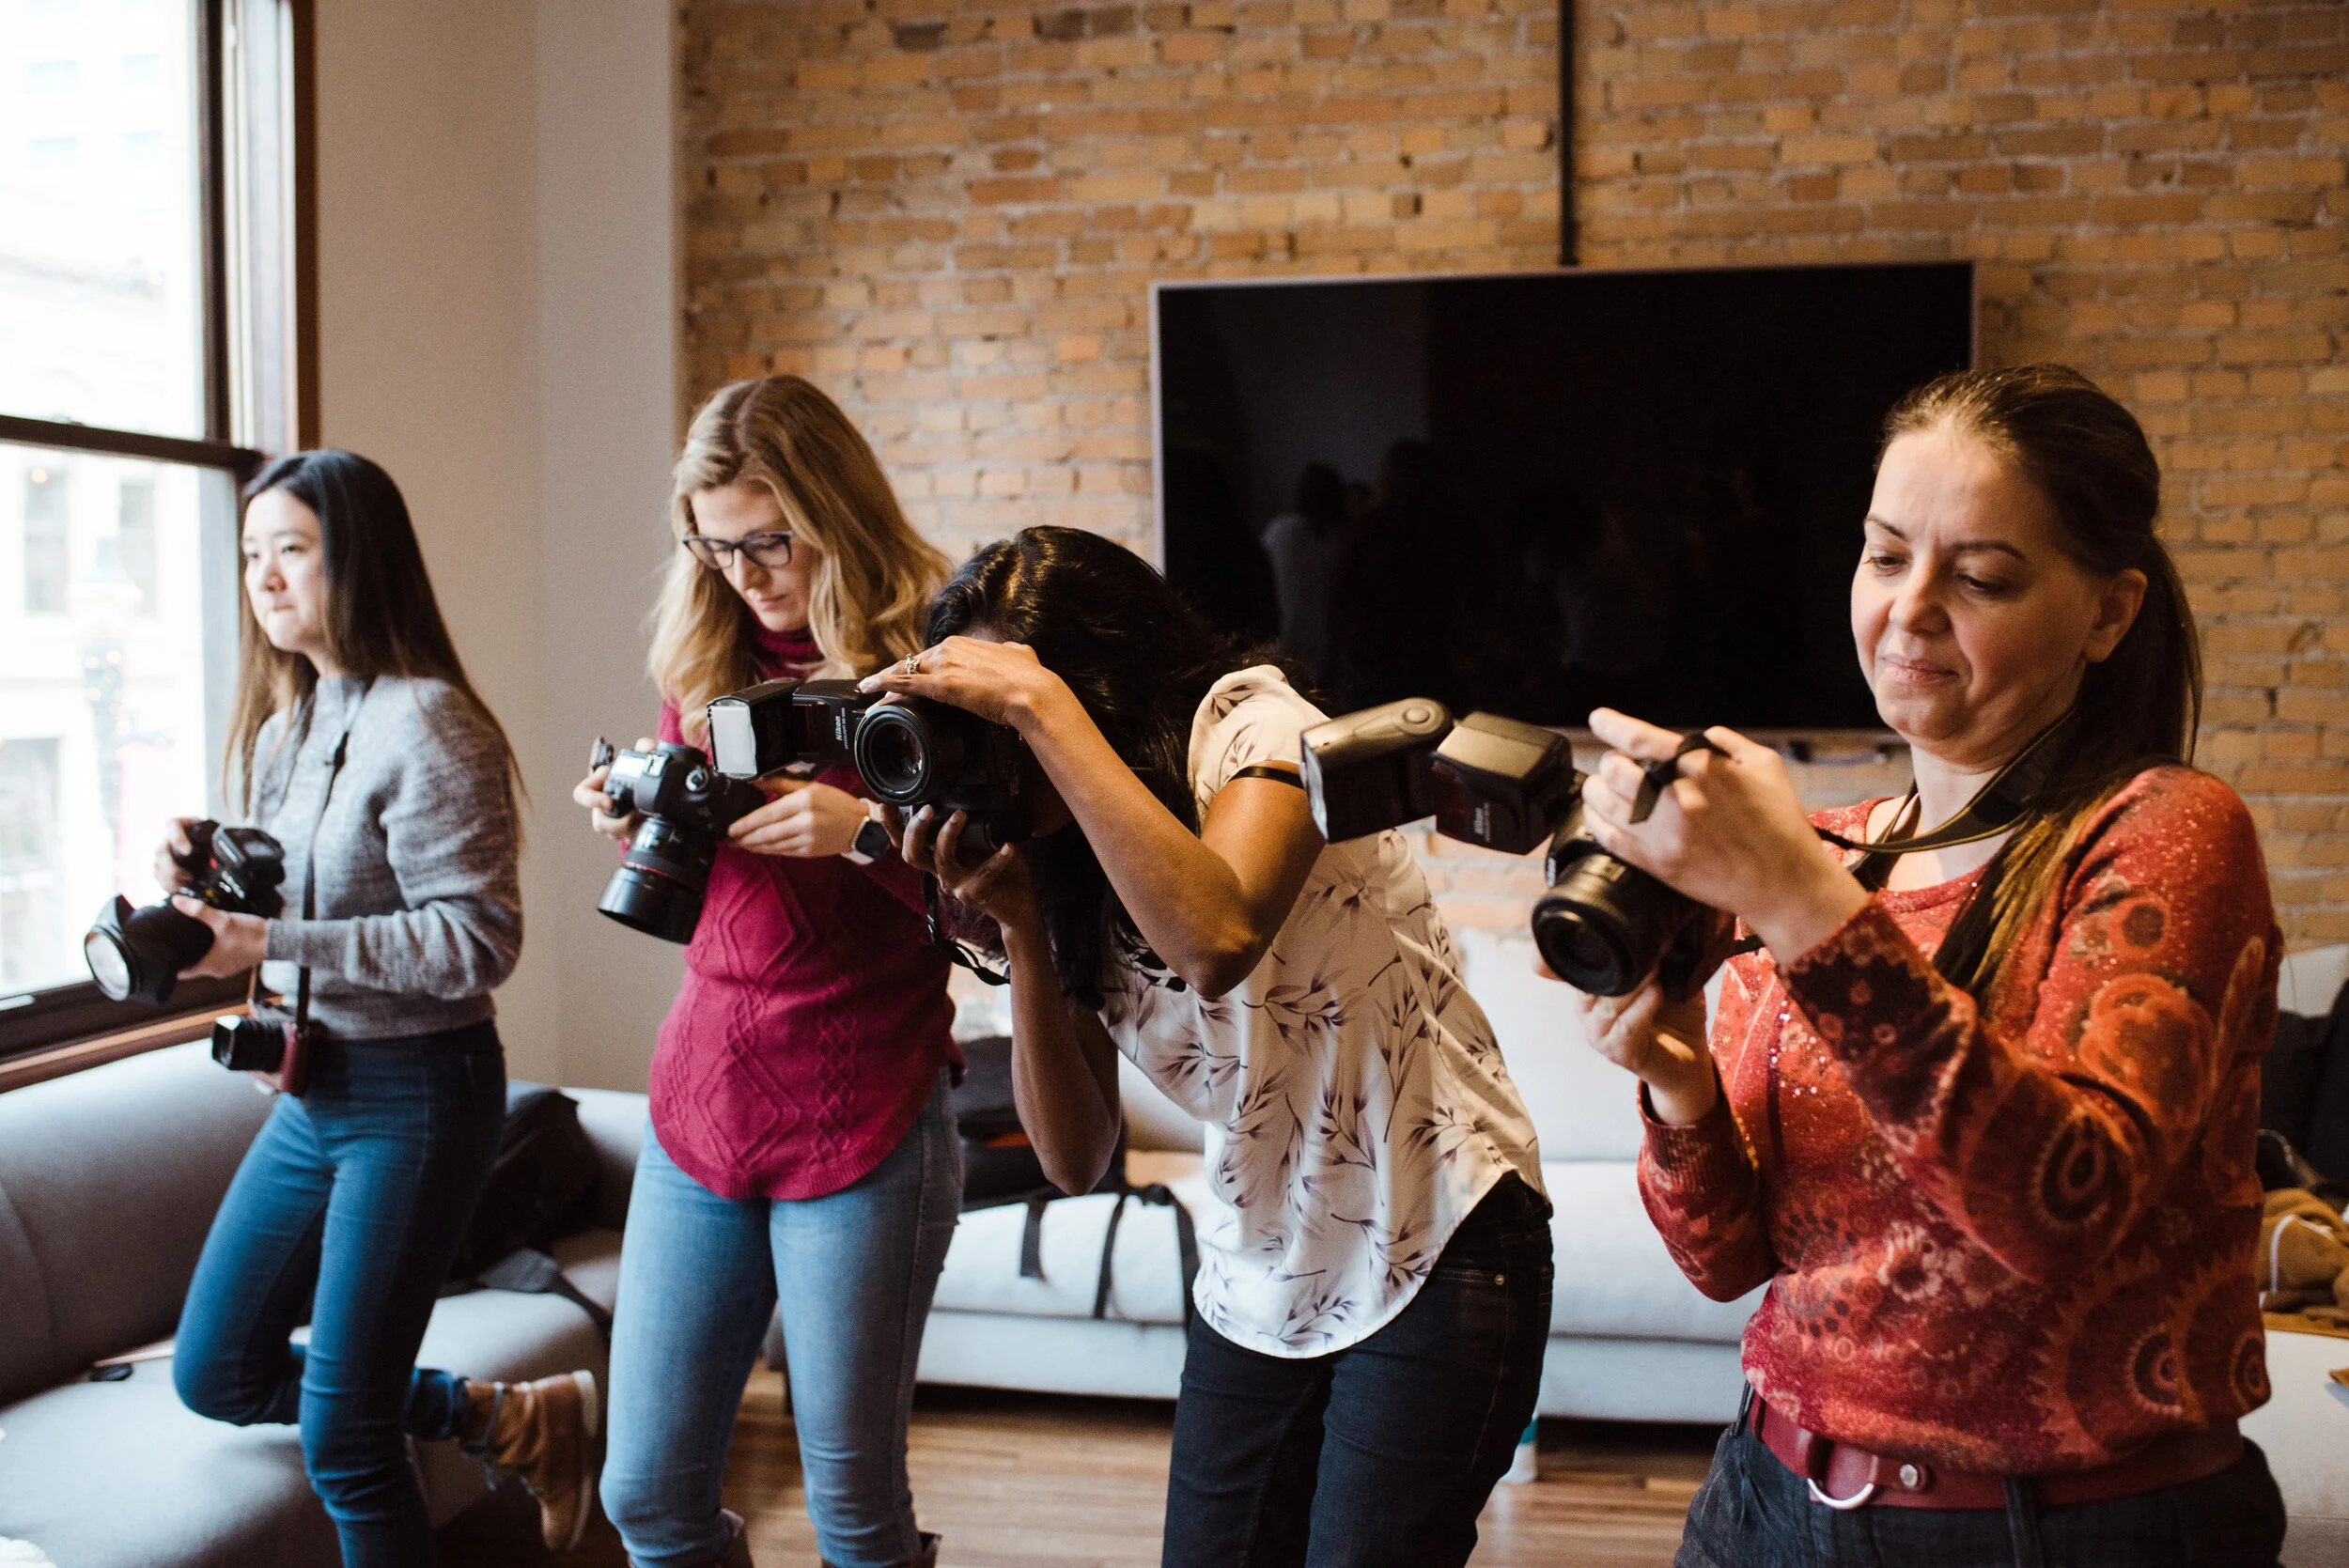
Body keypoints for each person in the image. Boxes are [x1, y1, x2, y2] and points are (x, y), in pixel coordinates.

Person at [1563, 365, 2287, 1566]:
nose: (1907, 611)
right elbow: (1727, 1262)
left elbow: (2064, 1205)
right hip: (1769, 1495)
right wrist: (1677, 1081)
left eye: (1982, 576)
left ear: (2108, 613)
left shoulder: (2164, 830)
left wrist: (1795, 895)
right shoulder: (1827, 850)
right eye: (1885, 555)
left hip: (2061, 1530)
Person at [867, 525, 1550, 1568]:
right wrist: (1020, 927)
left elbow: (1217, 936)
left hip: (1439, 1235)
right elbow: (1075, 1156)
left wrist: (1039, 708)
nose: (1001, 755)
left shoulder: (1258, 729)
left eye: (1016, 720)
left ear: (1102, 688)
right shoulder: (1057, 856)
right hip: (1259, 1270)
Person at [169, 450, 597, 1564]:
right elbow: (295, 899)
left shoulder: (430, 723)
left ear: (355, 559)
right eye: (253, 554)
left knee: (347, 1434)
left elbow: (475, 941)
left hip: (418, 1094)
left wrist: (273, 940)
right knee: (216, 1367)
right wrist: (215, 877)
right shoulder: (287, 726)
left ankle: (492, 1420)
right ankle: (505, 1415)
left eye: (292, 551)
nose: (264, 578)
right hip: (317, 1090)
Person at [581, 376, 961, 1568]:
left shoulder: (941, 662)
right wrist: (643, 816)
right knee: (644, 1493)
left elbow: (1001, 910)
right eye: (713, 543)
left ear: (832, 512)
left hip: (867, 1105)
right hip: (703, 1100)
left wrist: (857, 836)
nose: (743, 571)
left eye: (768, 540)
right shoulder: (701, 657)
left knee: (853, 1513)